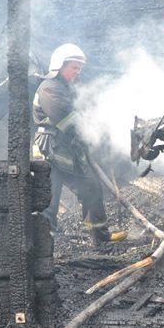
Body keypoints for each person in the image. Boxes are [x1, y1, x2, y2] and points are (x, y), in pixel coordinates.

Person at [32, 43, 127, 244]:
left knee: (91, 186)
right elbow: (68, 121)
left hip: (66, 151)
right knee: (49, 199)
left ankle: (100, 237)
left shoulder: (67, 89)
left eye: (79, 68)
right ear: (60, 66)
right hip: (49, 150)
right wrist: (91, 134)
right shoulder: (49, 89)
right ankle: (44, 247)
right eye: (74, 67)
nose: (77, 72)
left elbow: (83, 113)